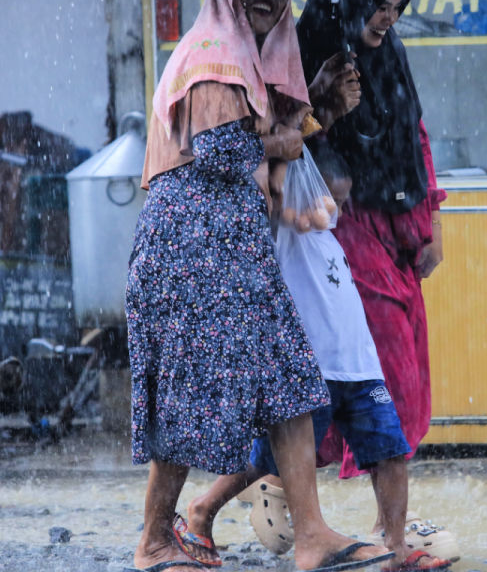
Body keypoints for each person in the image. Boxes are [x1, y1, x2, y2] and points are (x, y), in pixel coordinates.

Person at [124, 0, 392, 572]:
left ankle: (312, 536)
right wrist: (287, 138)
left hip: (236, 246)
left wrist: (315, 103)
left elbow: (272, 134)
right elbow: (220, 149)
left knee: (291, 381)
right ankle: (155, 541)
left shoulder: (250, 60)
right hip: (190, 244)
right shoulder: (212, 52)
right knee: (186, 391)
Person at [175, 142, 450, 572]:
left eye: (340, 201)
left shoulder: (331, 239)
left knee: (391, 452)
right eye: (327, 198)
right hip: (310, 371)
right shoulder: (283, 233)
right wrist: (284, 161)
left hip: (360, 368)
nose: (333, 210)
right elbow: (265, 176)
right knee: (267, 461)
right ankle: (202, 509)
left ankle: (394, 546)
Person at [295, 0, 456, 558]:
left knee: (378, 385)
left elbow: (415, 135)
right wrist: (326, 103)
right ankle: (386, 536)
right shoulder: (314, 56)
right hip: (347, 235)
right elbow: (291, 144)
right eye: (379, 5)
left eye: (396, 7)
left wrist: (431, 221)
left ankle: (380, 532)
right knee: (384, 386)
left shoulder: (390, 56)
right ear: (352, 0)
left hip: (398, 233)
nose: (388, 18)